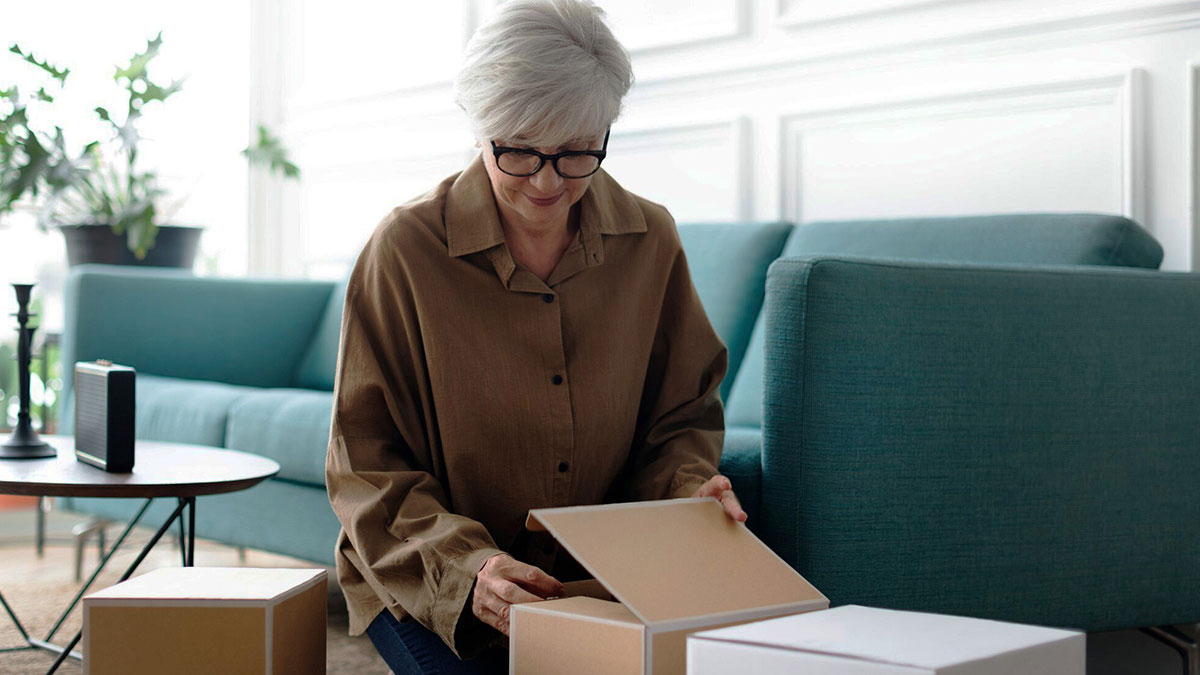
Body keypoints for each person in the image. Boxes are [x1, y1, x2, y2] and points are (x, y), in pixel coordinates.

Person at [324, 1, 746, 672]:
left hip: (597, 580)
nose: (548, 181)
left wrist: (688, 490)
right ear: (482, 128)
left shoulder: (651, 241)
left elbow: (681, 418)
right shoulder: (405, 249)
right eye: (518, 151)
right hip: (435, 582)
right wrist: (474, 569)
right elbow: (366, 462)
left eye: (577, 151)